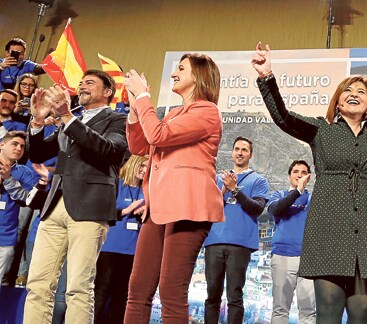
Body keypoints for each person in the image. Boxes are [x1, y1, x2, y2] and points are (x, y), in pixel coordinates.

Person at [253, 42, 367, 323]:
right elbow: (284, 117)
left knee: (362, 316)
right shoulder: (321, 130)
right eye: (347, 91)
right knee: (327, 315)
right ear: (337, 101)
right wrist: (267, 77)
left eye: (361, 92)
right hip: (328, 230)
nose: (354, 95)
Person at [123, 53, 224, 324]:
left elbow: (157, 135)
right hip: (158, 208)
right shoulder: (176, 113)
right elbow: (140, 146)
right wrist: (135, 108)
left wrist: (144, 97)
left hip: (188, 209)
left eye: (181, 68)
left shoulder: (207, 111)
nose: (173, 73)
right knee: (138, 289)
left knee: (171, 291)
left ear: (199, 76)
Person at [23, 69, 128, 323]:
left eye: (89, 83)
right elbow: (37, 155)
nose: (82, 86)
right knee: (37, 284)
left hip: (90, 207)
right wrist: (37, 123)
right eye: (80, 83)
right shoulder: (70, 120)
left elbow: (108, 150)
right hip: (55, 206)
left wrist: (67, 116)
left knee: (79, 288)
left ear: (107, 92)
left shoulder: (119, 120)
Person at [203, 136, 270, 324]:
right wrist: (223, 191)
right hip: (214, 240)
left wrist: (235, 190)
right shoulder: (218, 179)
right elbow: (207, 207)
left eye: (244, 150)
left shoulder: (259, 180)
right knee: (211, 296)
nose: (240, 153)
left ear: (250, 154)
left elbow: (257, 209)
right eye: (237, 149)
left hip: (240, 244)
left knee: (234, 296)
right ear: (232, 152)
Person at [94, 155, 148, 324]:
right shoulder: (116, 185)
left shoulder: (147, 191)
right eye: (142, 166)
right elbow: (101, 211)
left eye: (148, 167)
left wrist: (145, 213)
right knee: (101, 293)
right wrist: (127, 210)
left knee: (122, 296)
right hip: (109, 248)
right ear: (133, 164)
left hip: (133, 251)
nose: (144, 170)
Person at [268, 160, 316, 324]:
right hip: (283, 255)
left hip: (309, 259)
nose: (299, 175)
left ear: (308, 177)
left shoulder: (314, 199)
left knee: (308, 311)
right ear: (289, 176)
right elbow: (275, 210)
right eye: (296, 171)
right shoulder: (278, 195)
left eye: (304, 172)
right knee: (280, 309)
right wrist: (298, 191)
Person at [0, 131, 38, 294]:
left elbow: (26, 199)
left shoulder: (25, 172)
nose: (19, 148)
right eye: (14, 144)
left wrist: (8, 179)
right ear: (2, 145)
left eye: (22, 146)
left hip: (5, 237)